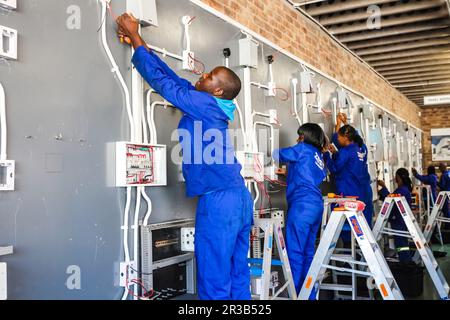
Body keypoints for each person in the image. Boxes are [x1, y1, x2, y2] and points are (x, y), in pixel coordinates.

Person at [116, 13, 253, 300]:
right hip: (238, 197)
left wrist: (136, 34)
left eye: (208, 76)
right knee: (236, 269)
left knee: (214, 272)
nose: (201, 76)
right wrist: (137, 44)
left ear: (217, 90)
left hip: (220, 201)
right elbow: (173, 78)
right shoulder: (213, 105)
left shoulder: (205, 105)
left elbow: (164, 85)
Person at [273, 123, 328, 297]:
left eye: (299, 136)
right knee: (308, 252)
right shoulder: (318, 156)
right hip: (316, 206)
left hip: (302, 207)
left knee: (295, 254)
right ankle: (309, 295)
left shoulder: (302, 149)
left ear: (304, 137)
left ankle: (295, 295)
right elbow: (306, 173)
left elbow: (277, 154)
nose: (298, 139)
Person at [325, 113, 374, 242]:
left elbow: (335, 169)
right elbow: (347, 159)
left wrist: (327, 156)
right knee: (364, 228)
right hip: (364, 193)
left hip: (349, 193)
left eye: (339, 137)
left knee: (344, 223)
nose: (338, 139)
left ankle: (349, 255)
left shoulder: (346, 152)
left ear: (345, 137)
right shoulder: (362, 148)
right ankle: (360, 257)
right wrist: (342, 124)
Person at [378, 168, 414, 263]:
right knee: (403, 243)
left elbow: (390, 199)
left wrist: (384, 187)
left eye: (396, 176)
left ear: (398, 177)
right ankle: (406, 261)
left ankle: (406, 263)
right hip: (402, 221)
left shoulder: (401, 190)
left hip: (399, 221)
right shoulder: (405, 189)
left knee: (401, 245)